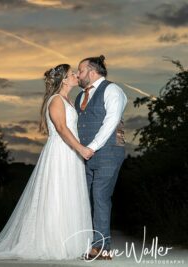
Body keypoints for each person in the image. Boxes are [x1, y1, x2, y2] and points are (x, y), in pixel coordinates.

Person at [0, 64, 93, 261]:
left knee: (68, 193)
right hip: (61, 152)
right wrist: (81, 148)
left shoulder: (68, 100)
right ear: (64, 80)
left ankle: (71, 242)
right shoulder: (56, 100)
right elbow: (61, 128)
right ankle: (54, 243)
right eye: (72, 74)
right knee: (56, 193)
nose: (76, 75)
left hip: (71, 152)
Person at [75, 55, 127, 260]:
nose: (77, 75)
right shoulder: (80, 96)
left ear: (92, 72)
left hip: (108, 152)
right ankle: (85, 242)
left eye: (80, 71)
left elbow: (111, 121)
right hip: (83, 155)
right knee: (82, 198)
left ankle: (102, 248)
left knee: (100, 197)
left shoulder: (113, 90)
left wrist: (92, 147)